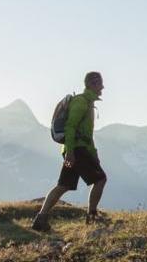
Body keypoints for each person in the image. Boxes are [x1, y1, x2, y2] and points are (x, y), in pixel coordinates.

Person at [32, 71, 108, 229]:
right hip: (78, 150)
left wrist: (93, 155)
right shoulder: (81, 102)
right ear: (93, 84)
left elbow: (87, 134)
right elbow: (71, 127)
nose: (102, 87)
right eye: (100, 83)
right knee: (100, 179)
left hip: (76, 149)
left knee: (64, 185)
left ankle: (41, 219)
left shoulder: (87, 103)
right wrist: (71, 153)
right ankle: (92, 217)